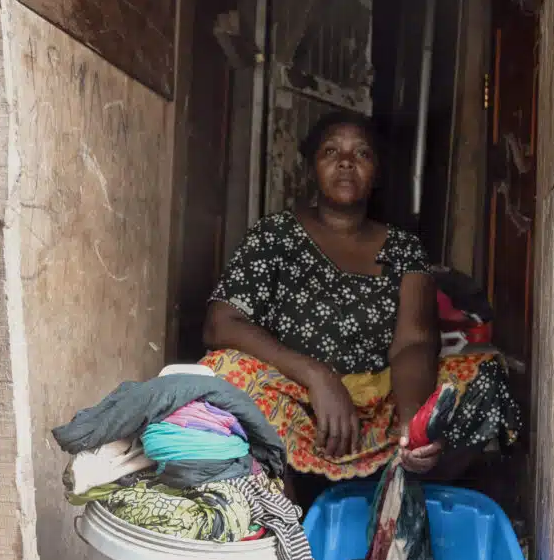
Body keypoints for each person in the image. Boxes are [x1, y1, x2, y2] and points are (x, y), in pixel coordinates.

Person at [200, 110, 519, 504]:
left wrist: (412, 424)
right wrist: (318, 376)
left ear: (377, 171)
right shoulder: (275, 235)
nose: (346, 162)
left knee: (485, 377)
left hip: (380, 405)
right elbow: (220, 323)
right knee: (221, 372)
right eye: (331, 151)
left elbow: (413, 344)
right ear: (311, 168)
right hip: (297, 401)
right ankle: (288, 500)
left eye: (362, 153)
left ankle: (395, 488)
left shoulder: (403, 248)